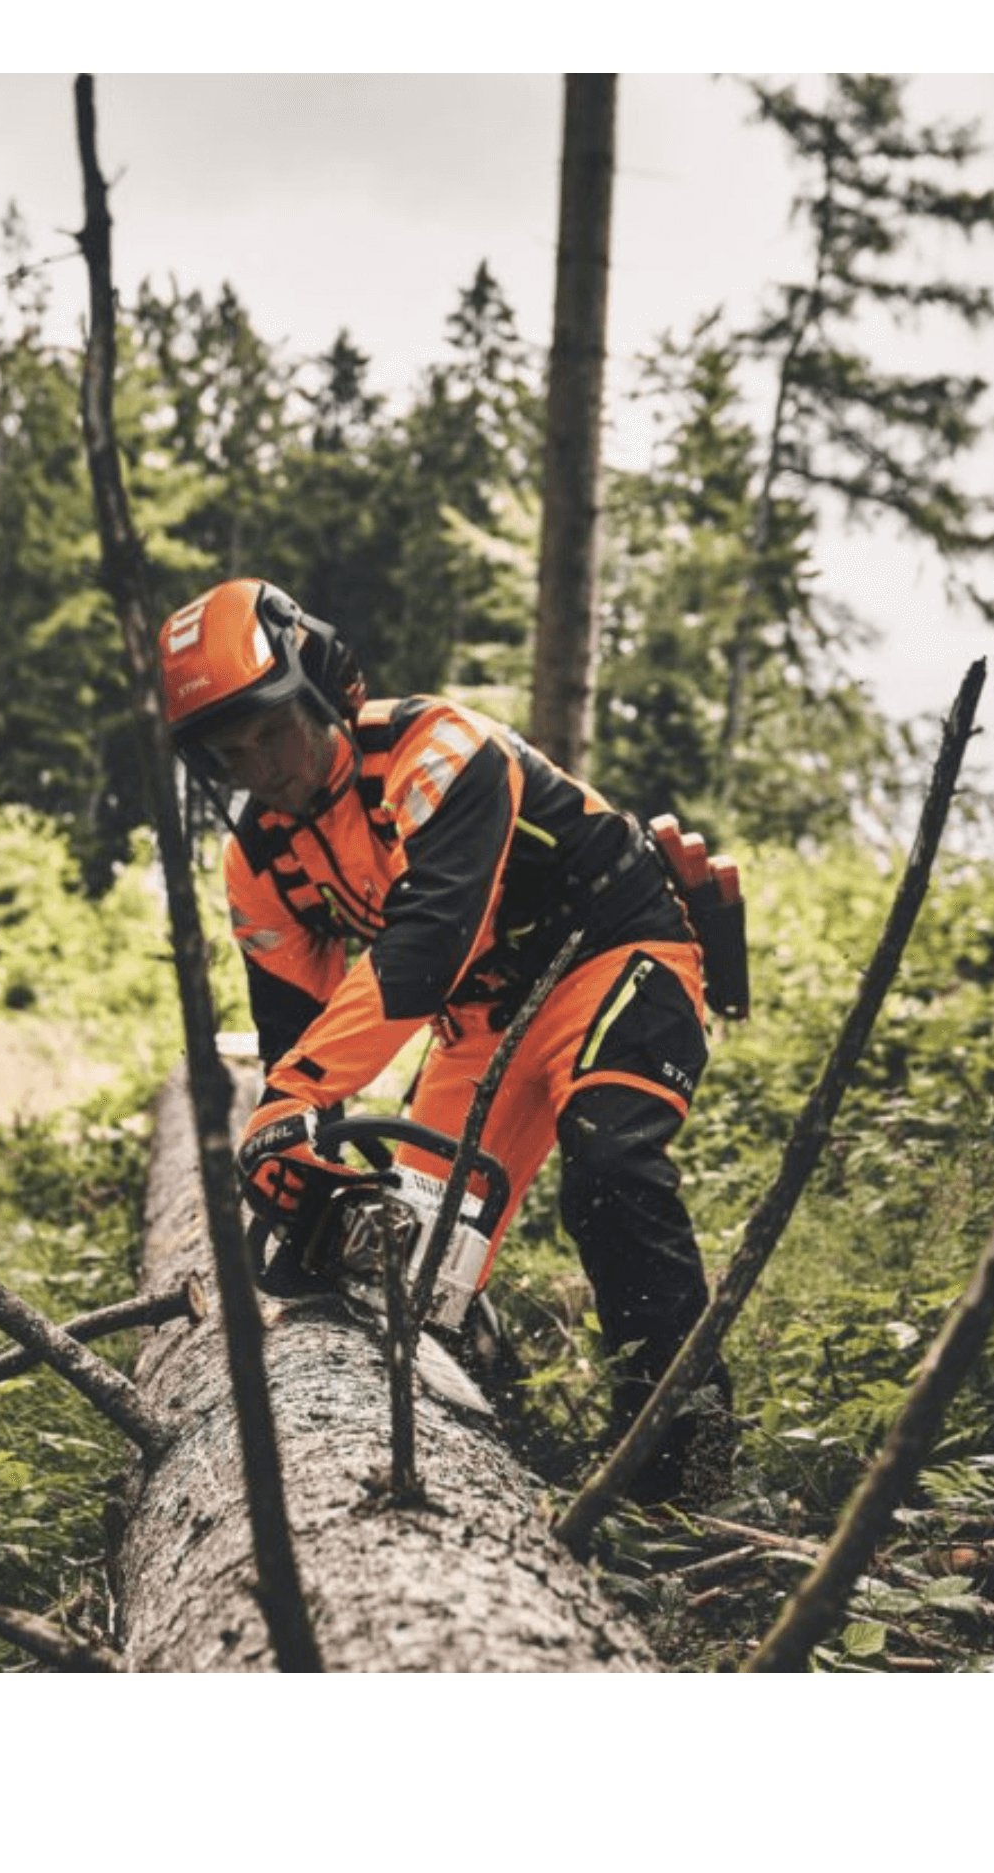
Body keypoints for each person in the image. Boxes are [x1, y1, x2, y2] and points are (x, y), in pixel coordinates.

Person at [156, 576, 734, 1501]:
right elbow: (297, 1030)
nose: (261, 765)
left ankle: (684, 1461)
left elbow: (426, 946)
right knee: (410, 1254)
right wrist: (300, 1151)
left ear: (321, 691)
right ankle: (489, 1432)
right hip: (479, 1023)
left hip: (614, 952)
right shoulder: (260, 858)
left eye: (272, 729)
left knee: (612, 1172)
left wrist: (293, 1098)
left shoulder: (438, 750)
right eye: (231, 752)